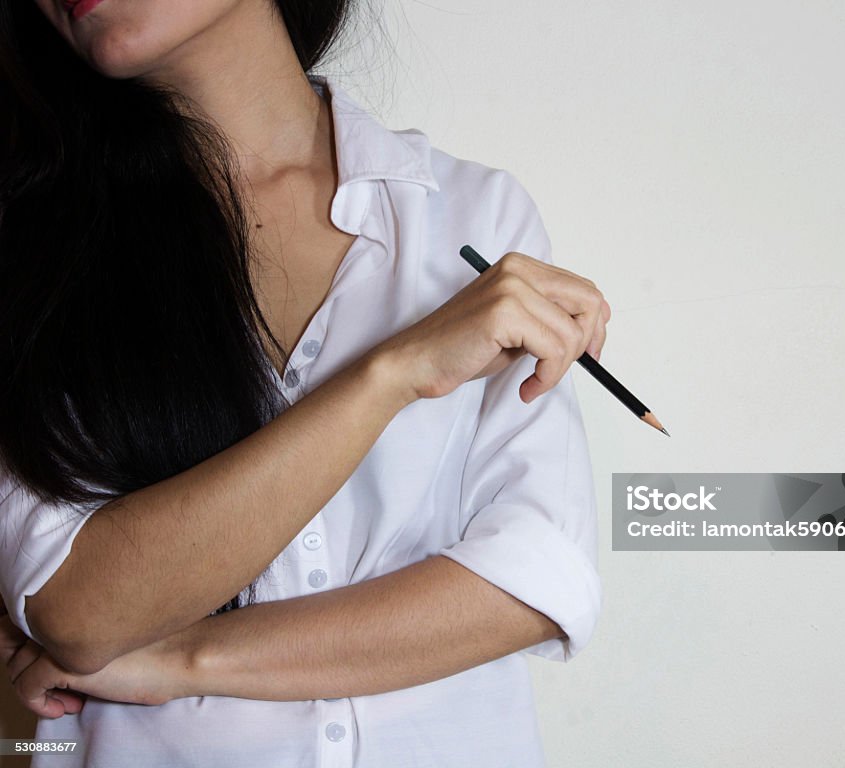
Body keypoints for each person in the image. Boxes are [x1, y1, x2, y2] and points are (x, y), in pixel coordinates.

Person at [0, 0, 609, 766]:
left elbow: (532, 578)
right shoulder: (31, 253)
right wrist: (398, 371)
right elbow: (79, 609)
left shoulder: (471, 216)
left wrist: (182, 656)